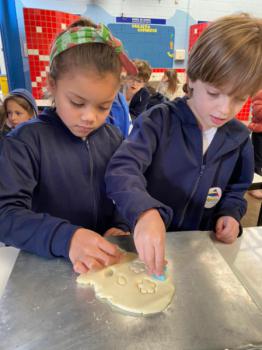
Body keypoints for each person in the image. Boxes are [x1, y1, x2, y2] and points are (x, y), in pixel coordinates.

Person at [105, 13, 262, 276]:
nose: (225, 109)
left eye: (239, 99)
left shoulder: (238, 138)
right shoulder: (157, 122)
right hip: (144, 246)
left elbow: (236, 189)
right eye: (214, 93)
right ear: (190, 79)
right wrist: (143, 211)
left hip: (198, 248)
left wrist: (231, 214)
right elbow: (122, 170)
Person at [0, 18, 138, 273]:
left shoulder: (113, 139)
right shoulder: (25, 142)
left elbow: (120, 195)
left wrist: (119, 225)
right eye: (77, 102)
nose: (90, 117)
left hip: (101, 263)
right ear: (52, 85)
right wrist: (67, 238)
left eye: (103, 106)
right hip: (46, 266)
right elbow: (5, 216)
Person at [248, 90, 262, 199]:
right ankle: (254, 187)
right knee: (257, 159)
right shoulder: (259, 94)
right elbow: (257, 112)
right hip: (259, 132)